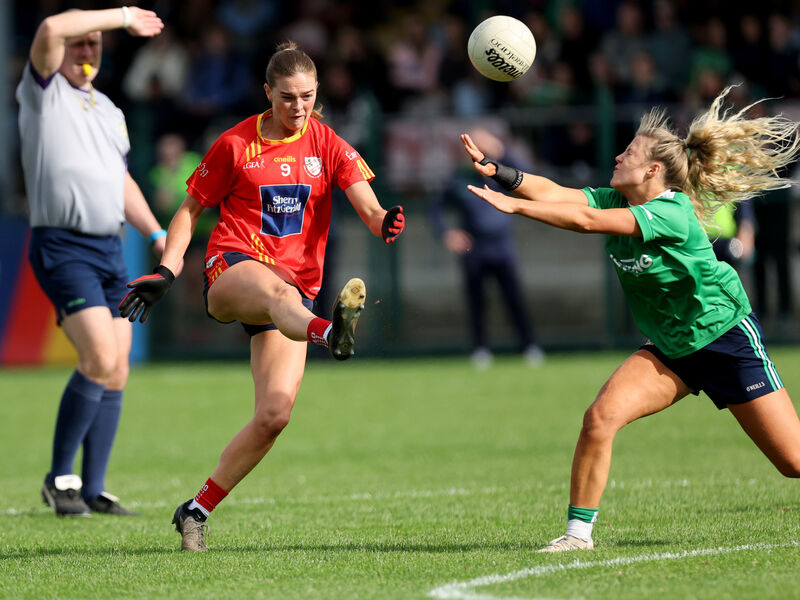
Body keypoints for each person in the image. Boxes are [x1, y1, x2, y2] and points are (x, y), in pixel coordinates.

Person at [460, 85, 800, 552]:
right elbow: (558, 192)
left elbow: (583, 222)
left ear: (653, 170)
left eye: (629, 152)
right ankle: (578, 536)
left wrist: (515, 207)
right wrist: (500, 172)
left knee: (793, 462)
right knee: (599, 418)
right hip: (670, 347)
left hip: (726, 341)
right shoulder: (616, 200)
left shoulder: (673, 211)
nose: (618, 156)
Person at [119, 42, 405, 551]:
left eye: (308, 97)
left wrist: (385, 222)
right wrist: (166, 268)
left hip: (293, 298)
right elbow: (188, 211)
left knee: (275, 415)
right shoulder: (234, 144)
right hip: (232, 268)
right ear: (267, 93)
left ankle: (195, 509)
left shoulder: (327, 142)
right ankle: (330, 331)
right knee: (277, 292)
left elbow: (367, 204)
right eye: (288, 97)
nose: (298, 107)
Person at [17, 7, 165, 517]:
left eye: (94, 45)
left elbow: (119, 182)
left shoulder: (109, 111)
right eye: (80, 44)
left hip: (109, 249)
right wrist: (124, 14)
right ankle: (59, 479)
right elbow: (52, 29)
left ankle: (93, 488)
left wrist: (156, 231)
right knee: (99, 356)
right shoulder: (42, 92)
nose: (85, 52)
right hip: (62, 245)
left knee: (117, 367)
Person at [430, 127, 544, 369]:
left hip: (502, 245)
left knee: (514, 298)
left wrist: (502, 151)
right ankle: (480, 349)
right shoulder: (459, 178)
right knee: (476, 301)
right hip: (475, 248)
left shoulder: (502, 173)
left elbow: (532, 179)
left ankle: (529, 346)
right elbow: (436, 207)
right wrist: (447, 233)